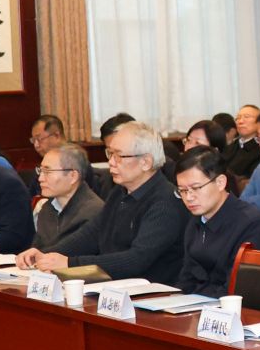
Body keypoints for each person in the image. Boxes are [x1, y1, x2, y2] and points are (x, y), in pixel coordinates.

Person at [17, 121, 186, 284]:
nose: (111, 162)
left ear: (146, 162)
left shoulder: (165, 201)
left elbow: (136, 259)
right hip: (118, 286)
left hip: (154, 291)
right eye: (110, 154)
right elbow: (92, 233)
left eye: (119, 156)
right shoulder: (119, 193)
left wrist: (70, 263)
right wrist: (46, 254)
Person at [169, 146, 260, 298]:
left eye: (195, 188)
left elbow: (238, 289)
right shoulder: (196, 219)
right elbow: (186, 277)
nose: (189, 197)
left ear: (220, 182)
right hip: (197, 302)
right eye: (182, 191)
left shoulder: (251, 224)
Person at [29, 144, 105, 252]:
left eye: (48, 172)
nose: (40, 178)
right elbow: (37, 248)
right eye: (40, 171)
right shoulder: (47, 208)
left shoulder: (92, 212)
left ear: (73, 176)